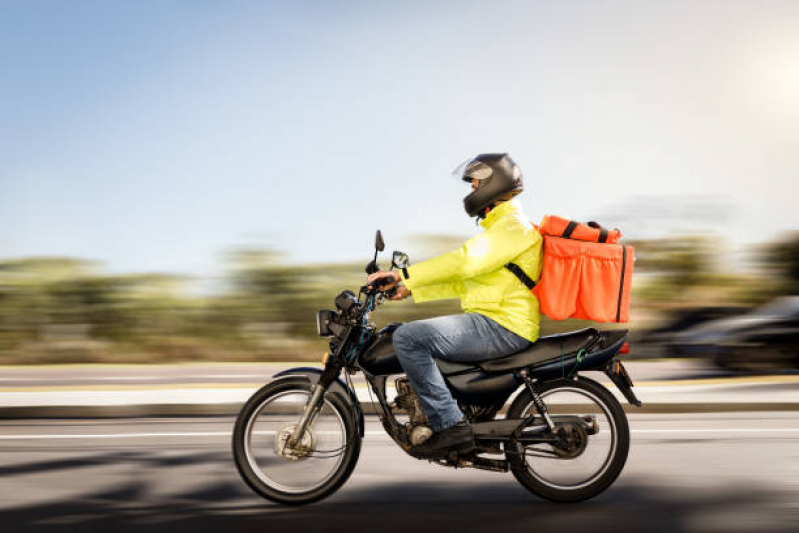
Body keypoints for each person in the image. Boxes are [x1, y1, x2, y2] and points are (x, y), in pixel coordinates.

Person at [366, 153, 543, 458]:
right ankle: (449, 412)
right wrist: (409, 289)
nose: (471, 191)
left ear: (493, 183)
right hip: (495, 321)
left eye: (475, 184)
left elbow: (464, 262)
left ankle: (450, 426)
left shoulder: (512, 227)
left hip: (503, 325)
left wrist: (402, 273)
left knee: (408, 338)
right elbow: (465, 282)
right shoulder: (503, 229)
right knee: (404, 331)